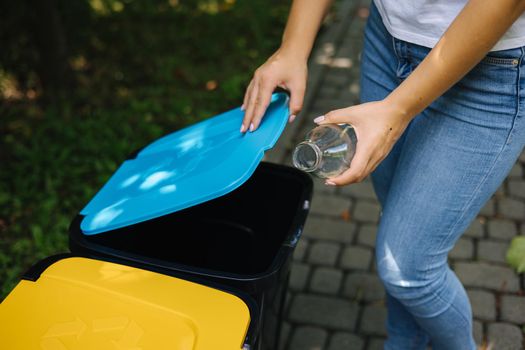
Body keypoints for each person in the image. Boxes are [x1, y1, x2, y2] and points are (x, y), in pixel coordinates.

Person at [241, 0, 525, 349]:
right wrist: (293, 46)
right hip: (388, 42)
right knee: (396, 219)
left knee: (408, 268)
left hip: (490, 69)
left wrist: (398, 110)